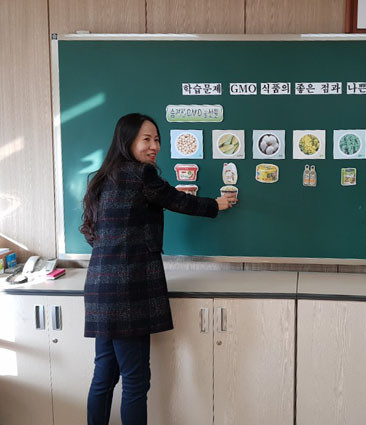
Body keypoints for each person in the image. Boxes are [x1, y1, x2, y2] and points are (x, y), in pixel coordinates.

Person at [80, 113, 237, 425]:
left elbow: (92, 231)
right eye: (146, 139)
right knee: (136, 381)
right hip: (129, 290)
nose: (154, 146)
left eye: (157, 139)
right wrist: (216, 204)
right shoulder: (142, 174)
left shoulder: (102, 177)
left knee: (104, 375)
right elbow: (177, 200)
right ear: (127, 141)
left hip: (100, 287)